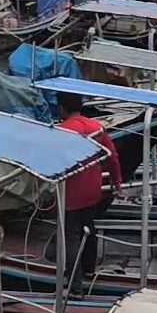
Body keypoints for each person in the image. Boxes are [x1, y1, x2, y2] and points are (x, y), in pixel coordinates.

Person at [52, 92, 122, 287]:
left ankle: (74, 284)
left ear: (61, 108)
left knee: (71, 235)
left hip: (71, 191)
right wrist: (117, 182)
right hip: (93, 189)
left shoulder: (60, 131)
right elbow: (112, 157)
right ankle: (89, 270)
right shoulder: (96, 127)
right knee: (88, 227)